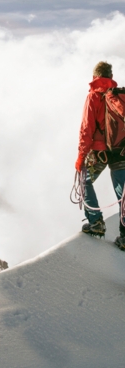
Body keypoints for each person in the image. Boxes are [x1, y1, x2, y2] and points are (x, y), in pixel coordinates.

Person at [76, 61, 125, 250]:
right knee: (123, 195)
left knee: (83, 180)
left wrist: (81, 157)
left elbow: (86, 130)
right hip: (121, 151)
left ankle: (96, 223)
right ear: (111, 77)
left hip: (99, 152)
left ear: (95, 77)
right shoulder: (119, 96)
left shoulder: (93, 96)